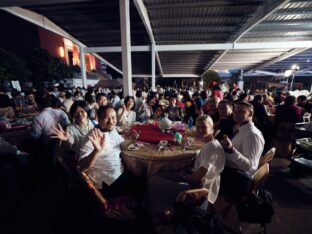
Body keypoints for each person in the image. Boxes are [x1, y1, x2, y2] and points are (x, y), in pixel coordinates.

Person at [143, 115, 225, 215]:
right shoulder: (211, 143)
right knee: (157, 175)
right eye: (198, 127)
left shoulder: (211, 147)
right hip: (200, 181)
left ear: (212, 128)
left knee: (153, 180)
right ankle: (154, 208)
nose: (200, 130)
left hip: (197, 189)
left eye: (204, 127)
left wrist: (183, 176)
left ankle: (153, 212)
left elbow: (199, 177)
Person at [79, 105, 143, 199]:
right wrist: (96, 151)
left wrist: (131, 140)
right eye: (106, 117)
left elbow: (119, 146)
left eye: (113, 117)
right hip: (107, 180)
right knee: (144, 185)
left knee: (142, 175)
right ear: (98, 118)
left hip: (119, 172)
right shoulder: (92, 137)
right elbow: (82, 167)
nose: (111, 121)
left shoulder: (112, 130)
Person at [219, 101, 264, 203]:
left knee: (203, 175)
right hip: (232, 172)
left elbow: (249, 167)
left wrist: (231, 149)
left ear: (251, 114)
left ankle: (203, 210)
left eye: (241, 112)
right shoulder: (242, 130)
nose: (236, 114)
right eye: (235, 111)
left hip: (238, 181)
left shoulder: (252, 135)